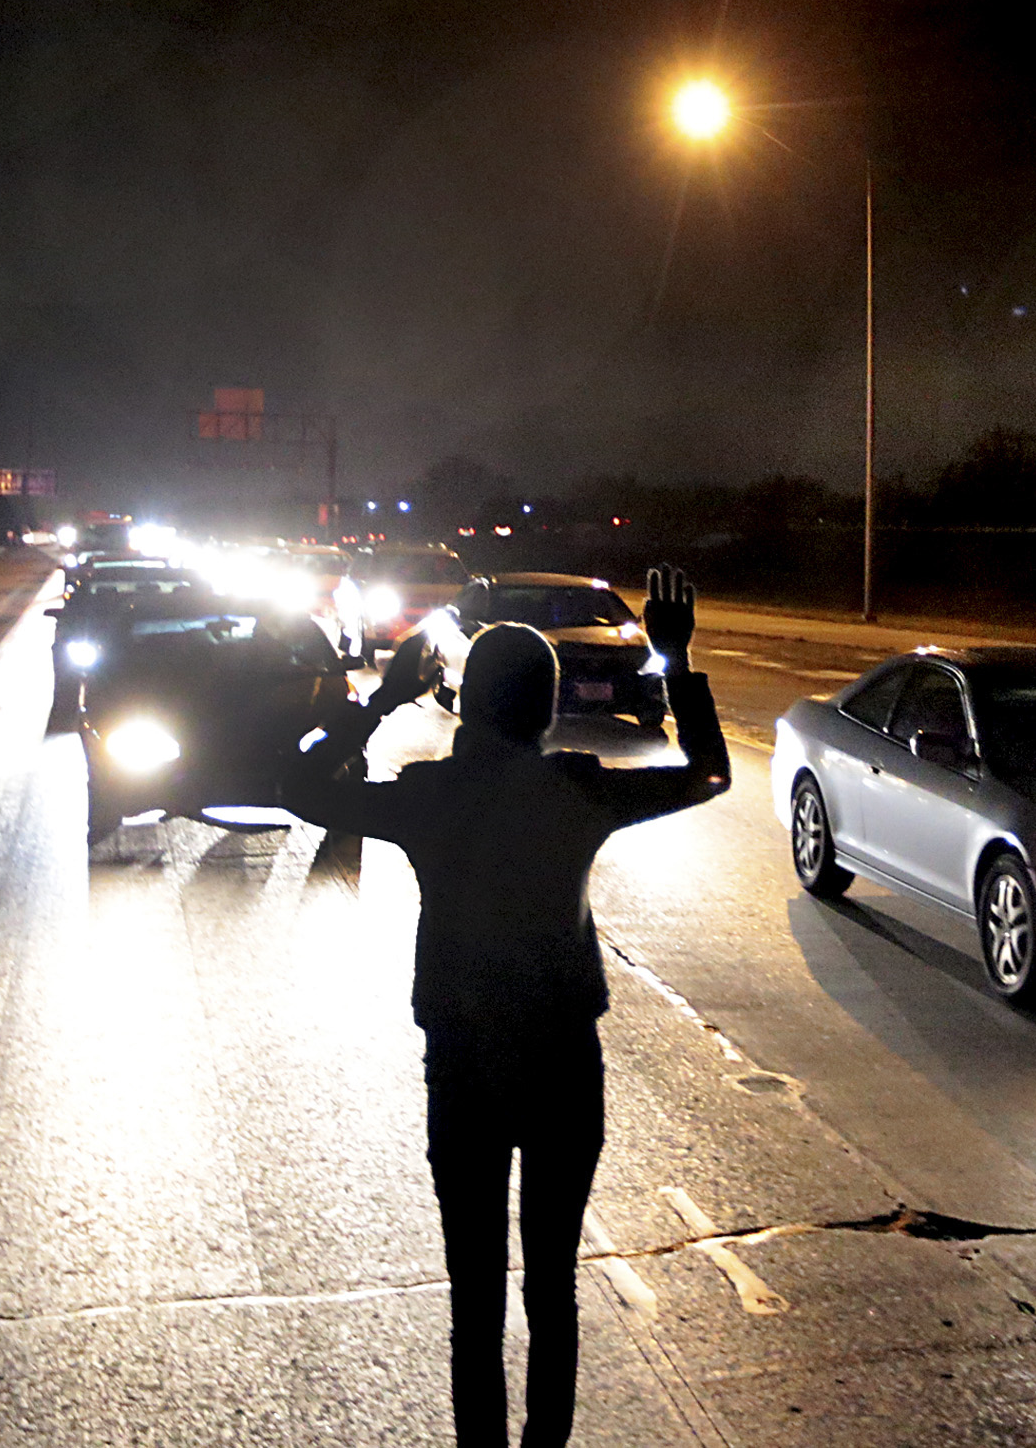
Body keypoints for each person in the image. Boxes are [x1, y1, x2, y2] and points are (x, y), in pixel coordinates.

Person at [284, 565, 729, 1448]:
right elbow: (709, 773)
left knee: (475, 1293)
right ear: (548, 710)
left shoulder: (430, 796)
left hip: (463, 1061)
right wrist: (675, 659)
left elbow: (298, 789)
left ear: (467, 701)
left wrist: (378, 699)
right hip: (564, 1059)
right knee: (552, 1286)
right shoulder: (579, 789)